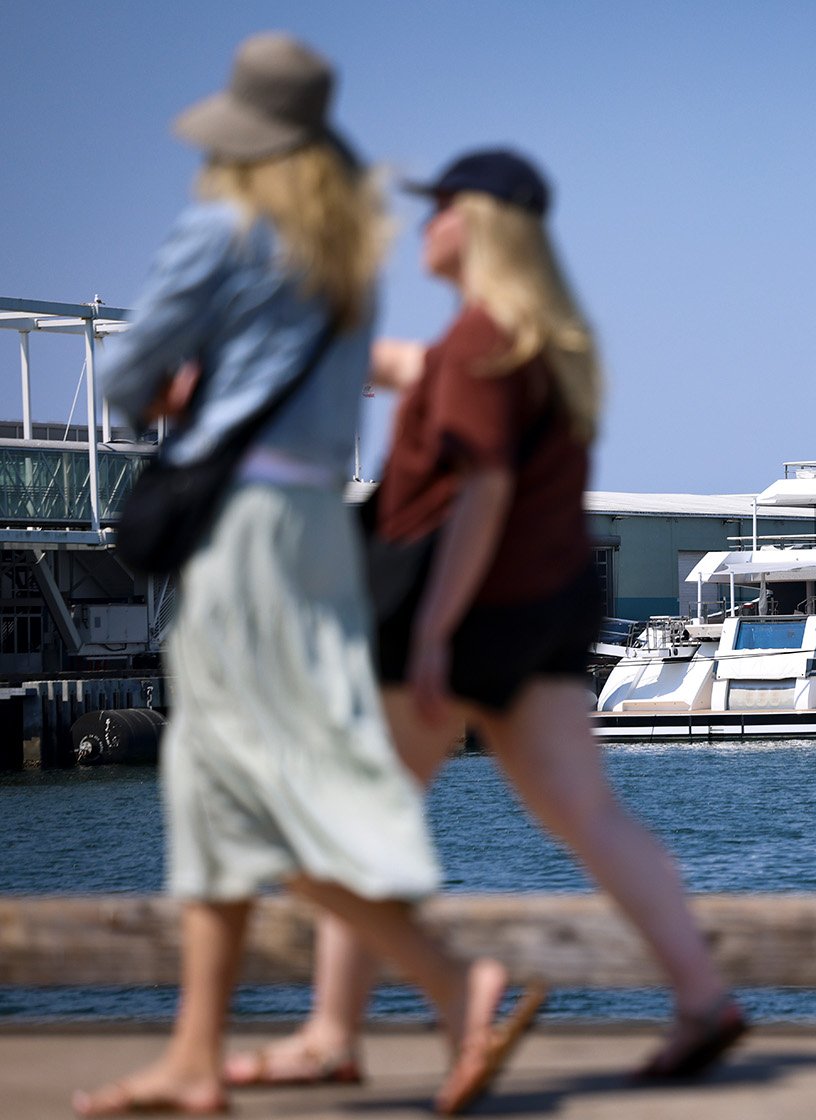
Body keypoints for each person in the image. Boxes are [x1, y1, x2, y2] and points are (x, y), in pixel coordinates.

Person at [223, 148, 746, 1090]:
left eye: (438, 210)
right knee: (588, 815)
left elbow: (483, 485)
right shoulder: (538, 345)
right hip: (545, 617)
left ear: (479, 225)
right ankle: (703, 995)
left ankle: (378, 1020)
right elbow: (408, 368)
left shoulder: (475, 343)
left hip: (457, 619)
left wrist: (429, 633)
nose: (422, 227)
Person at [74, 34, 528, 1117]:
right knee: (229, 787)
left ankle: (455, 987)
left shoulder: (224, 229)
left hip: (244, 530)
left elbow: (129, 377)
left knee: (246, 784)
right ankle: (195, 1054)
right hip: (323, 525)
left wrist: (188, 389)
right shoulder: (346, 253)